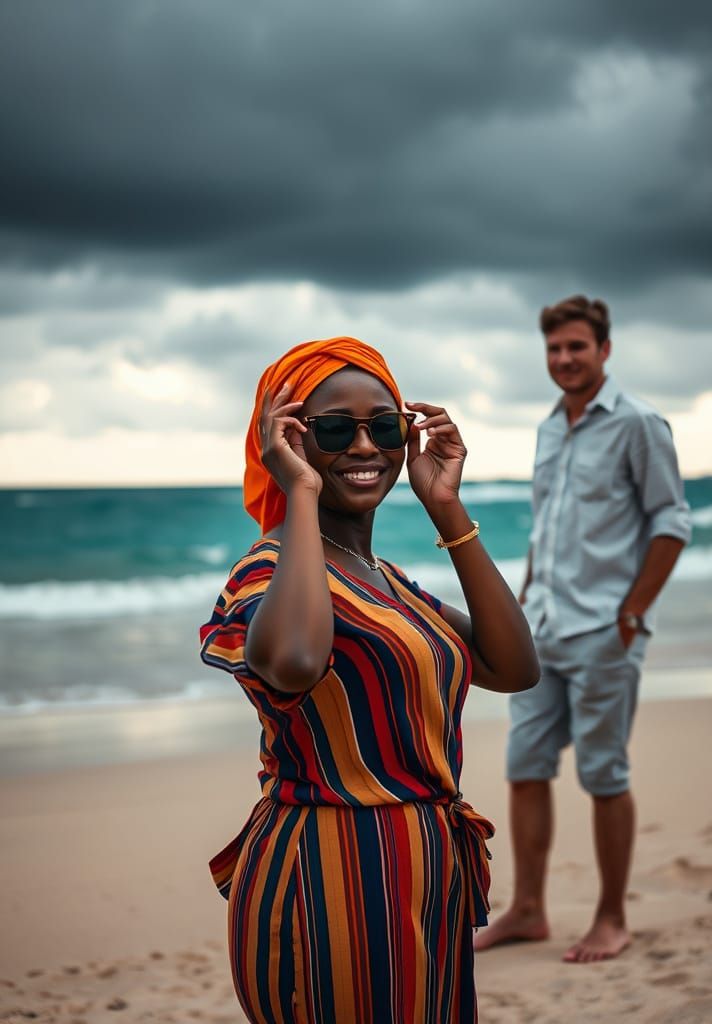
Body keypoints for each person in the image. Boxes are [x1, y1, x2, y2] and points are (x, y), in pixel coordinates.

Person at [199, 336, 539, 1023]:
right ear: (286, 438)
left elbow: (512, 666)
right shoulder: (265, 573)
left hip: (426, 872)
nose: (364, 446)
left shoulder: (386, 582)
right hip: (334, 876)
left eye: (384, 426)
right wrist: (299, 490)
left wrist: (446, 507)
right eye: (332, 429)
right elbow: (295, 661)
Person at [474, 296, 691, 964]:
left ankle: (610, 918)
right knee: (525, 767)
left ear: (605, 349)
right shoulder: (548, 427)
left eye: (577, 346)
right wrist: (519, 603)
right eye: (554, 349)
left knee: (603, 774)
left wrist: (630, 617)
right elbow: (548, 529)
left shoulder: (638, 424)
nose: (564, 359)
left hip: (604, 630)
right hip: (540, 629)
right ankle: (530, 909)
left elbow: (671, 521)